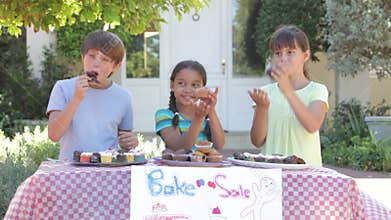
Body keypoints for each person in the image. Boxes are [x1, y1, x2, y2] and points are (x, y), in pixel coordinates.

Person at [47, 30, 138, 160]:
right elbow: (54, 135)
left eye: (105, 59)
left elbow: (125, 140)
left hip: (108, 170)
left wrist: (131, 142)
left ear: (116, 66)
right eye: (92, 56)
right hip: (71, 169)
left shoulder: (124, 97)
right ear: (82, 57)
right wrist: (77, 98)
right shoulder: (63, 88)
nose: (96, 63)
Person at [249, 25, 329, 166]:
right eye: (278, 53)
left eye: (290, 52)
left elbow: (312, 125)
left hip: (305, 176)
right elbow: (257, 141)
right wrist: (262, 108)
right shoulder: (266, 92)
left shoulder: (317, 90)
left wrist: (288, 91)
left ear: (305, 55)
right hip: (272, 174)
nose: (283, 58)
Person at [155, 60, 225, 151]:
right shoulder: (164, 115)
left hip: (207, 165)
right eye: (181, 83)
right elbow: (178, 147)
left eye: (195, 85)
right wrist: (198, 118)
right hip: (181, 165)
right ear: (172, 85)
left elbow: (220, 145)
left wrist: (211, 109)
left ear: (203, 88)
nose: (188, 90)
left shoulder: (207, 117)